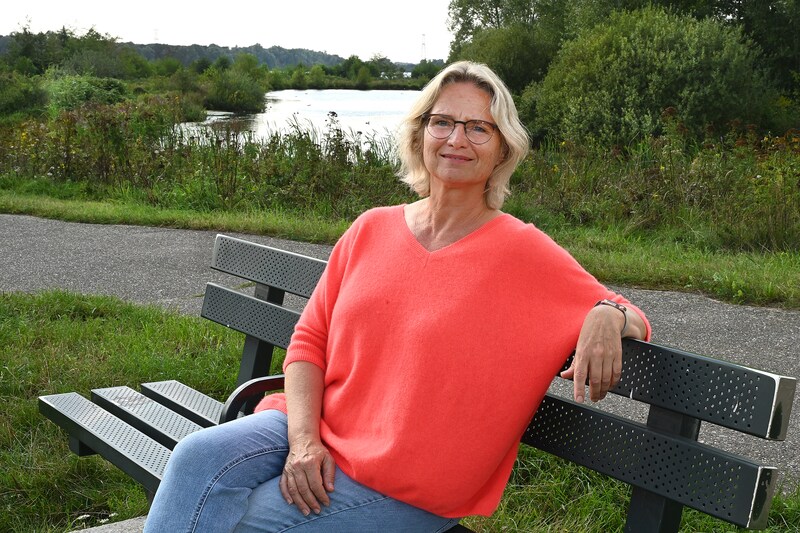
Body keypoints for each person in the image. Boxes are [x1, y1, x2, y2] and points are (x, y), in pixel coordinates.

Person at [143, 61, 650, 532]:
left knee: (243, 519)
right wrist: (303, 441)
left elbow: (631, 315)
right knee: (196, 461)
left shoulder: (520, 250)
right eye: (443, 122)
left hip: (406, 484)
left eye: (479, 127)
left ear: (503, 149)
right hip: (316, 429)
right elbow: (308, 341)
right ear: (420, 133)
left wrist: (606, 313)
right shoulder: (372, 228)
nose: (457, 139)